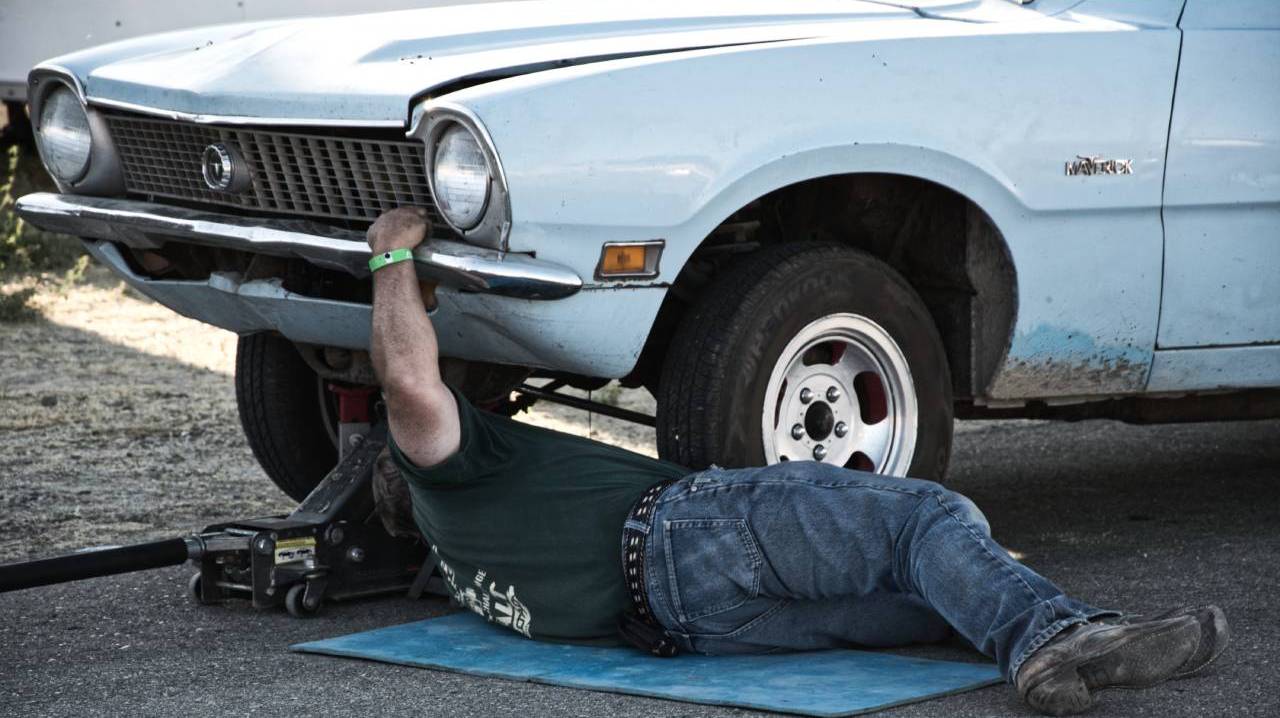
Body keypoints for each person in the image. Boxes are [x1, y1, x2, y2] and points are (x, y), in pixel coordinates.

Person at [365, 208, 1228, 716]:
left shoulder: (468, 573)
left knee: (935, 601)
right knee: (924, 519)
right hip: (689, 534)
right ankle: (1058, 640)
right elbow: (407, 381)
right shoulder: (448, 479)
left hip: (697, 629)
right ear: (413, 476)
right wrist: (394, 253)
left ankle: (1067, 646)